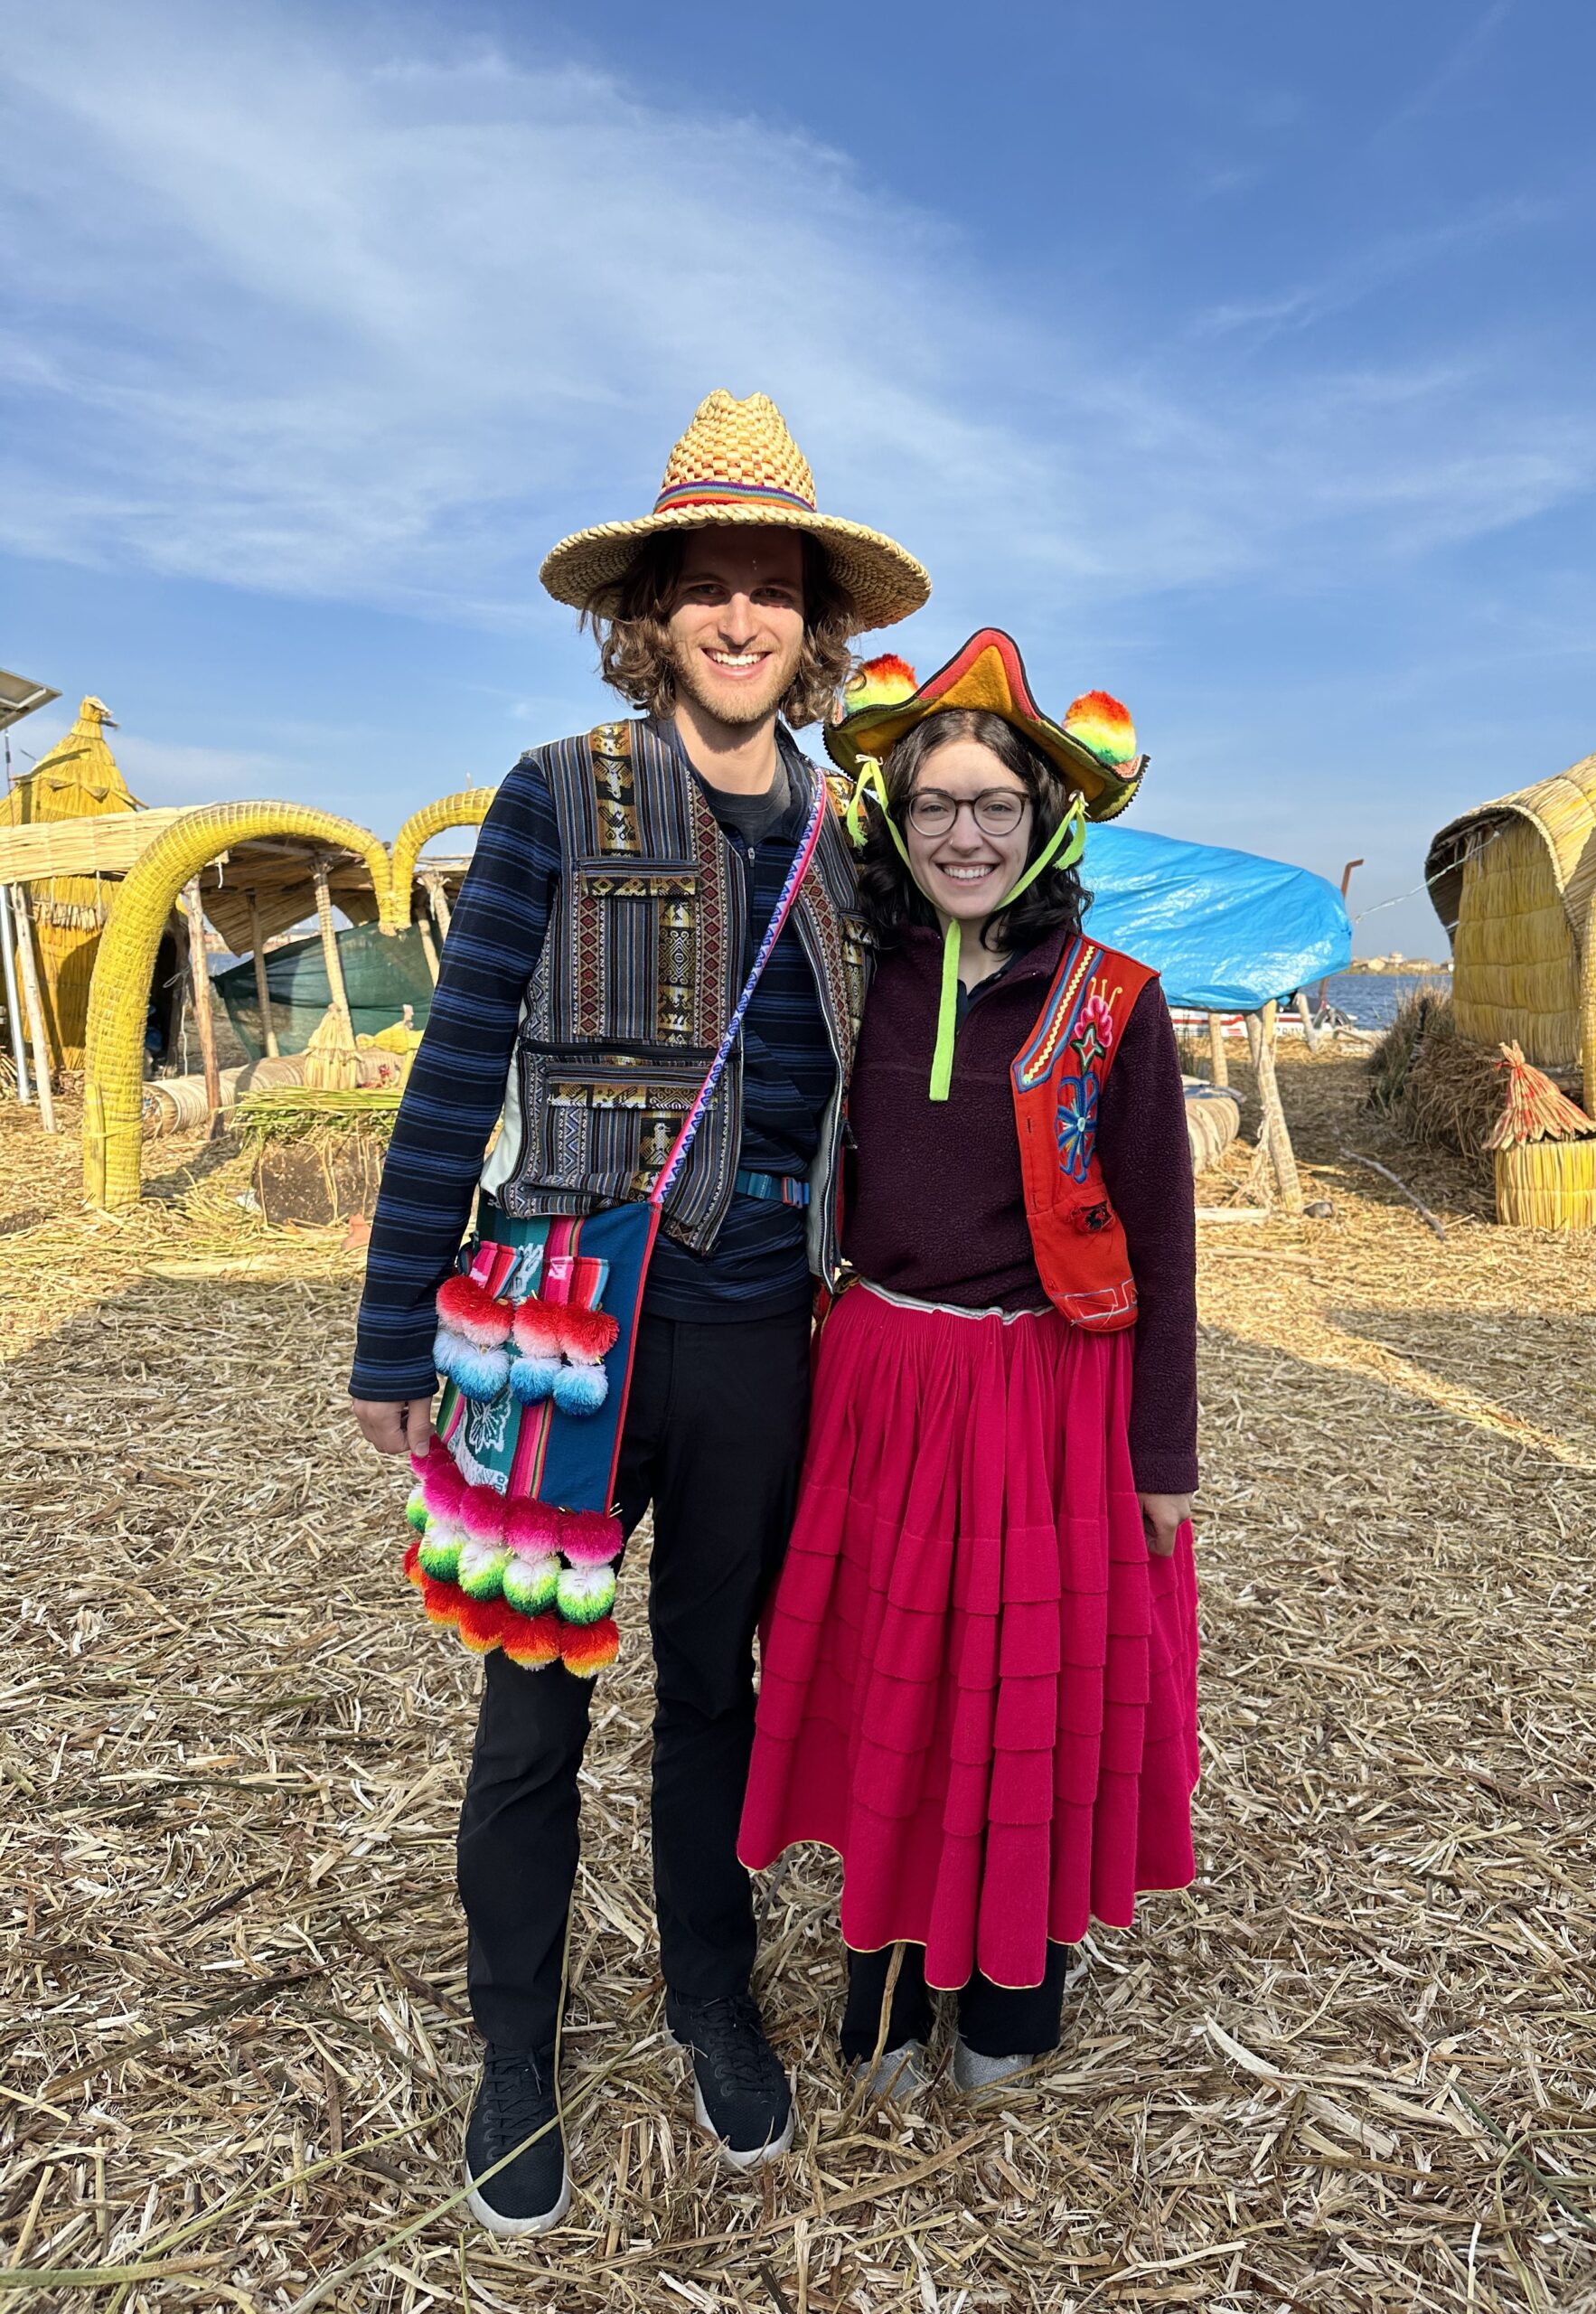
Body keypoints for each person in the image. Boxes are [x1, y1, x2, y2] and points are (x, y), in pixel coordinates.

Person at [350, 391, 927, 2232]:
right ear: (652, 612)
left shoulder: (850, 832)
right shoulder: (558, 790)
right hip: (565, 1323)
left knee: (718, 1693)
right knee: (533, 1705)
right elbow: (457, 1065)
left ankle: (707, 1995)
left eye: (773, 588)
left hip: (764, 1332)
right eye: (707, 585)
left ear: (812, 626)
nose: (740, 616)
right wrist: (390, 1333)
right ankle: (514, 2046)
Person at [738, 629, 1200, 2093]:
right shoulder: (850, 977)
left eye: (996, 804)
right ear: (892, 816)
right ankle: (880, 1992)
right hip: (879, 1383)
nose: (964, 834)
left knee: (1029, 1703)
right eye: (934, 803)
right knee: (897, 1692)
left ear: (1048, 820)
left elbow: (1163, 1242)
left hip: (1047, 1398)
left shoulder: (1112, 1000)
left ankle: (1010, 1996)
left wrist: (1163, 1454)